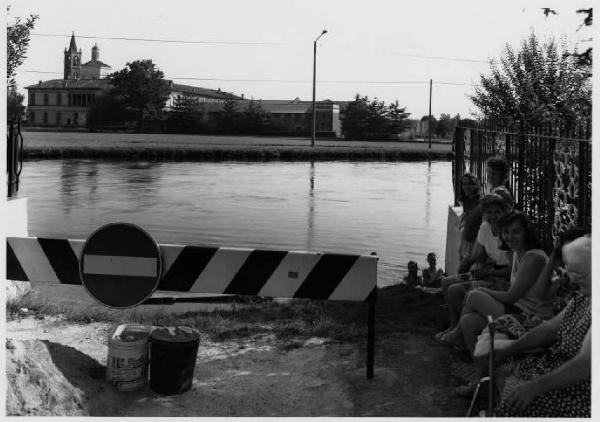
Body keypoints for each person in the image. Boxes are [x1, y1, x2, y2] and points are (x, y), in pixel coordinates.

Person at [492, 234, 591, 417]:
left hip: (582, 389)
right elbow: (549, 330)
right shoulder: (585, 296)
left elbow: (586, 365)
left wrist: (533, 388)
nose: (574, 280)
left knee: (517, 402)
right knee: (501, 362)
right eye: (572, 273)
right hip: (559, 363)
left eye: (580, 274)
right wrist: (510, 349)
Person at [443, 211, 552, 357]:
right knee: (467, 321)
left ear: (527, 232)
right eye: (506, 232)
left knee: (475, 295)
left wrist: (485, 290)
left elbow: (511, 297)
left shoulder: (534, 258)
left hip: (530, 316)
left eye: (516, 232)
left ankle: (457, 335)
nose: (510, 237)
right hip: (518, 308)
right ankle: (481, 371)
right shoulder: (517, 252)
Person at [436, 193, 512, 340]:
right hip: (490, 273)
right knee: (446, 282)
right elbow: (478, 254)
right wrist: (464, 269)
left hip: (503, 279)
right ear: (484, 214)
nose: (493, 216)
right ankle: (453, 325)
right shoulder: (485, 228)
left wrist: (487, 273)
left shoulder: (508, 232)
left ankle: (458, 332)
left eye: (497, 212)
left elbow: (512, 270)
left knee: (455, 290)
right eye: (489, 212)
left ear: (505, 212)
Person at [457, 173, 483, 261]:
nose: (466, 187)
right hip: (467, 240)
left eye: (469, 184)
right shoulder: (467, 200)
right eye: (464, 184)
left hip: (475, 242)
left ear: (476, 185)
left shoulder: (479, 201)